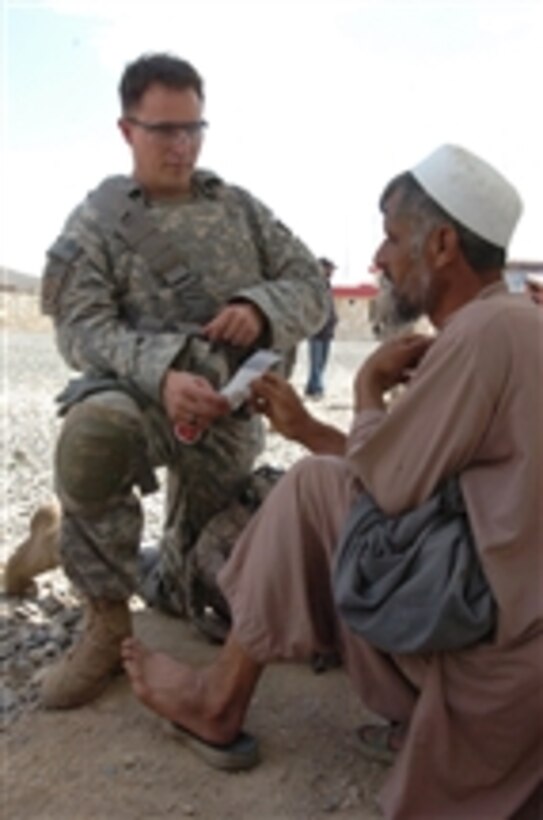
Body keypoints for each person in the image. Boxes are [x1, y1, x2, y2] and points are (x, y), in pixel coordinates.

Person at [121, 144, 543, 818]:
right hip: (505, 620)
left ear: (439, 245)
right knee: (321, 477)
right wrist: (308, 428)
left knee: (312, 487)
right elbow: (425, 474)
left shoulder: (483, 333)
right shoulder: (514, 323)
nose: (377, 259)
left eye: (389, 237)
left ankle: (217, 701)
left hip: (501, 652)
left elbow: (392, 486)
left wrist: (369, 384)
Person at [33, 52, 328, 710]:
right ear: (126, 130)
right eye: (164, 130)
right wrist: (163, 370)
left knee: (200, 588)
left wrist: (257, 308)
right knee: (92, 438)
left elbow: (310, 287)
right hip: (139, 403)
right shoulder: (98, 222)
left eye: (194, 127)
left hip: (228, 416)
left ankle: (54, 544)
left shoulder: (241, 210)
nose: (182, 145)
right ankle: (107, 625)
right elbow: (79, 330)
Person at [304, 257, 338, 398]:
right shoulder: (314, 286)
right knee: (316, 363)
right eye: (329, 268)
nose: (331, 272)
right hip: (317, 330)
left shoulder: (327, 285)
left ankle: (311, 388)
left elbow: (330, 308)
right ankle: (317, 389)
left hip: (327, 331)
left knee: (322, 363)